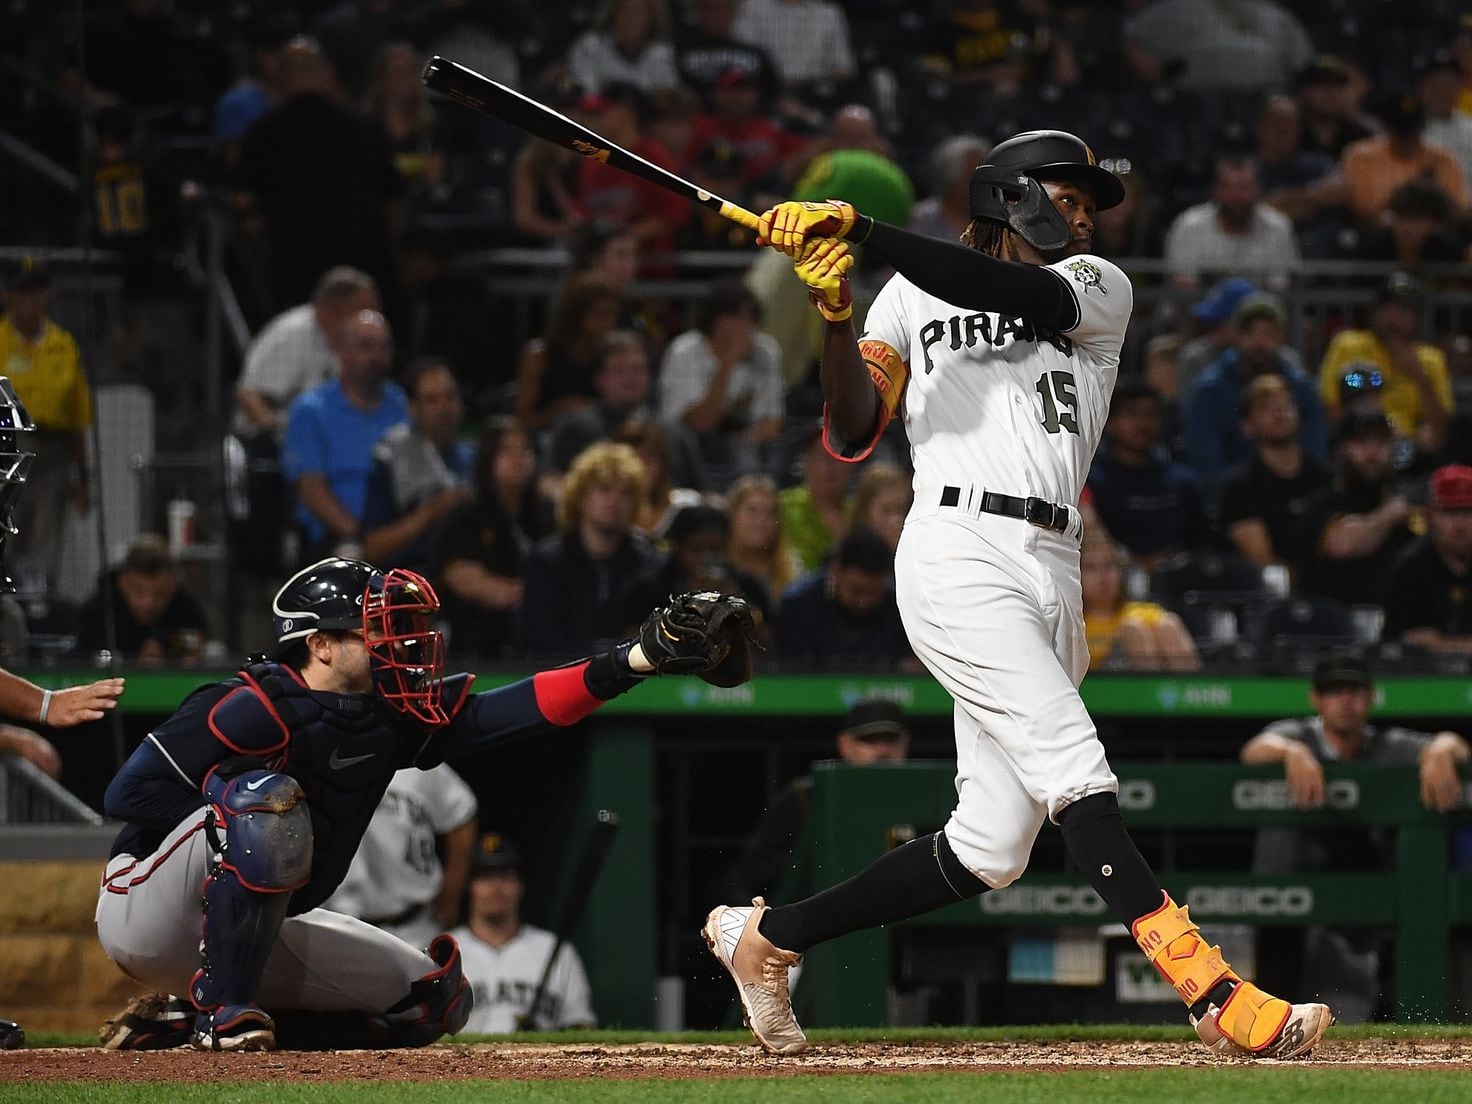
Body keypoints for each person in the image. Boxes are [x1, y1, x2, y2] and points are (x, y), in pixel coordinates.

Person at [700, 129, 1331, 1059]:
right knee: (1079, 768)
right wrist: (836, 314)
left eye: (1087, 203)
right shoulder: (906, 298)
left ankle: (767, 939)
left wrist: (863, 226)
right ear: (1007, 194)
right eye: (1064, 197)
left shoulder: (1095, 285)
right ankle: (1210, 992)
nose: (1080, 216)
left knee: (990, 849)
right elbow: (849, 432)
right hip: (956, 549)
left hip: (1057, 564)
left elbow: (1008, 292)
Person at [94, 556, 734, 1052]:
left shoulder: (388, 717)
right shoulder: (247, 703)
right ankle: (218, 1011)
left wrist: (636, 660)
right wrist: (233, 793)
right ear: (320, 644)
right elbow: (128, 794)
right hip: (147, 905)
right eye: (374, 630)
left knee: (431, 1002)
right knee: (268, 799)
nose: (396, 644)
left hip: (248, 928)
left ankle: (177, 1027)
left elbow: (511, 712)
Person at [1240, 649, 1469, 1022]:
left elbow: (1452, 743)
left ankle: (1393, 1034)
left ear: (1371, 696)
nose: (1346, 701)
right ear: (1317, 699)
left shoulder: (1386, 744)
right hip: (1295, 882)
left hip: (1369, 882)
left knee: (1396, 949)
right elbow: (1253, 751)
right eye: (1335, 691)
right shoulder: (1296, 735)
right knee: (1280, 983)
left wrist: (1440, 750)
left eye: (1354, 691)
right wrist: (1291, 753)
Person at [728, 698, 911, 902]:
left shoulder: (921, 794)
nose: (882, 751)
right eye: (869, 740)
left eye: (890, 740)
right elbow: (755, 873)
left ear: (905, 743)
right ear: (845, 744)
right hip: (825, 912)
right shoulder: (805, 796)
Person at [282, 310, 410, 563]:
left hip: (397, 530)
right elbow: (311, 489)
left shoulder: (401, 404)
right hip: (338, 537)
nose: (376, 356)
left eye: (383, 347)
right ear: (341, 352)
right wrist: (361, 536)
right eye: (365, 346)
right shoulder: (311, 411)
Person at [0, 258, 92, 586]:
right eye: (21, 293)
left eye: (35, 293)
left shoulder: (63, 345)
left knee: (45, 542)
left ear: (47, 296)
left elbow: (77, 417)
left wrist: (83, 478)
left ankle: (41, 615)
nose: (28, 302)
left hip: (54, 452)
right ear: (7, 296)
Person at [518, 441, 655, 659]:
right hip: (562, 676)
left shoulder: (648, 563)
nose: (614, 501)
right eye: (604, 489)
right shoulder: (546, 560)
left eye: (625, 493)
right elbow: (538, 637)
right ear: (581, 497)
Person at [322, 763, 478, 951]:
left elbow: (461, 813)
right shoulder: (323, 758)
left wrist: (452, 890)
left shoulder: (414, 761)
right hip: (336, 927)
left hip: (415, 928)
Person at [1180, 293, 1328, 490]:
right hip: (1235, 499)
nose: (1259, 342)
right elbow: (1206, 464)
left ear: (1282, 338)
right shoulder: (1210, 390)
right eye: (1249, 332)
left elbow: (1315, 452)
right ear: (1236, 336)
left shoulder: (1300, 387)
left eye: (1268, 334)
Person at [451, 834, 596, 1033]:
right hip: (461, 1063)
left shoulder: (557, 950)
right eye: (486, 876)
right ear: (470, 886)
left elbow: (581, 1025)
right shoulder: (446, 950)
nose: (496, 887)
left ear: (520, 885)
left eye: (505, 875)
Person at [435, 418, 553, 660]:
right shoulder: (465, 516)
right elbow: (463, 580)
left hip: (537, 644)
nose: (519, 459)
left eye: (526, 450)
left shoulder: (544, 516)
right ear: (487, 460)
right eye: (507, 451)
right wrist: (535, 595)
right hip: (475, 646)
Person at [657, 280, 785, 490]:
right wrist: (728, 362)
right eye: (736, 317)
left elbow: (772, 423)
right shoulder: (684, 351)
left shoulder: (766, 351)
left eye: (750, 317)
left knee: (748, 455)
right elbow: (700, 423)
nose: (745, 326)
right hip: (691, 446)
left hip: (744, 445)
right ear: (714, 320)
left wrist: (741, 440)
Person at [234, 267, 380, 440]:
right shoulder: (291, 334)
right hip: (271, 453)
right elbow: (250, 397)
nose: (373, 316)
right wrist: (285, 446)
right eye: (365, 309)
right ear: (337, 308)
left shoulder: (346, 342)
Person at [1316, 273, 1453, 457]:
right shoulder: (1349, 345)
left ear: (1416, 318)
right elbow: (1331, 406)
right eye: (1388, 309)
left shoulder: (1430, 359)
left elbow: (1441, 426)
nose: (1393, 318)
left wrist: (1419, 377)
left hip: (1409, 452)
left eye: (1403, 310)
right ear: (1375, 312)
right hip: (1358, 441)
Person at [1295, 409, 1418, 609]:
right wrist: (1391, 514)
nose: (1372, 452)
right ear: (1342, 449)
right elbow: (1343, 544)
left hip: (1395, 622)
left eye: (1381, 442)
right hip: (1332, 625)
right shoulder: (1321, 503)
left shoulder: (1404, 499)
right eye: (1361, 442)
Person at [361, 358, 474, 573]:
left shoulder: (474, 459)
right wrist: (437, 507)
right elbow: (373, 549)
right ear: (413, 408)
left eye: (450, 397)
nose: (444, 408)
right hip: (412, 578)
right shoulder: (389, 458)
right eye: (432, 400)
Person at [1086, 381, 1210, 571]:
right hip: (1115, 577)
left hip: (1182, 581)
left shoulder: (1184, 482)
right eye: (1132, 414)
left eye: (1151, 415)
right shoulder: (1094, 481)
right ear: (1109, 422)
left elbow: (1202, 544)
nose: (1143, 424)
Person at [1218, 375, 1333, 572]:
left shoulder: (1324, 477)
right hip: (1272, 592)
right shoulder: (1239, 487)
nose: (1279, 413)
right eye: (1265, 408)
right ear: (1247, 426)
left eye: (1286, 405)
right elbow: (1264, 561)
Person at [775, 527, 913, 668]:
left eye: (873, 593)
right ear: (835, 571)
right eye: (856, 591)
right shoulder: (798, 607)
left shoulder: (899, 608)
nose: (864, 602)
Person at [1162, 154, 1300, 289]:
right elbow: (1183, 289)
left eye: (1245, 187)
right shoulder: (1189, 225)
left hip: (1258, 309)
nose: (1238, 196)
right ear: (1216, 191)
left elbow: (1280, 288)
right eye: (1230, 187)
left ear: (1258, 190)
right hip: (1201, 309)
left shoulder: (1277, 226)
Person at [75, 534, 211, 664]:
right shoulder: (96, 613)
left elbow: (195, 652)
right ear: (122, 583)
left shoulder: (190, 613)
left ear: (173, 585)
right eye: (138, 591)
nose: (148, 603)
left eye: (160, 593)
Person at [1384, 464, 1472, 657]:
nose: (1459, 524)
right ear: (1431, 514)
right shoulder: (1411, 567)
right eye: (1449, 512)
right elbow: (1394, 643)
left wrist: (1444, 644)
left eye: (1467, 511)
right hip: (1422, 677)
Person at [1081, 535, 1198, 671]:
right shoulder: (1074, 621)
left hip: (1147, 676)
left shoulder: (1142, 611)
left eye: (1110, 566)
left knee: (1168, 624)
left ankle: (1189, 689)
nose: (1103, 576)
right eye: (1091, 568)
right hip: (1098, 685)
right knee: (1133, 629)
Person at [725, 475, 802, 606]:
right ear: (732, 515)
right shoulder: (719, 570)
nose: (761, 521)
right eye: (752, 510)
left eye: (770, 512)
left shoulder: (793, 574)